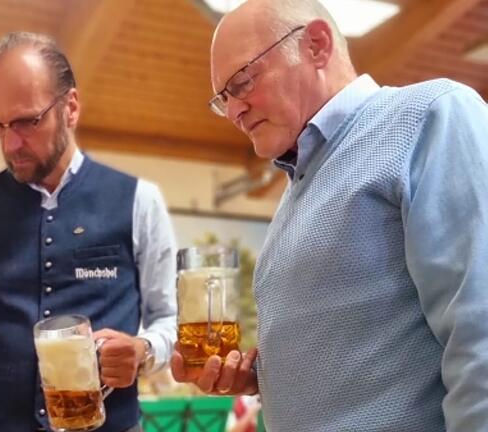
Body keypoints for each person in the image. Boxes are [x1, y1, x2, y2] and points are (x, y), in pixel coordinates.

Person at [170, 0, 488, 431]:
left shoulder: (428, 115)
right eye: (222, 99)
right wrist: (262, 377)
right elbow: (360, 351)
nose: (232, 112)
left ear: (316, 46)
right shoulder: (296, 188)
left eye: (242, 82)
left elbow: (479, 329)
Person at [0, 31, 177, 432]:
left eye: (27, 122)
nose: (11, 143)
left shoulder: (139, 202)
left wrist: (145, 350)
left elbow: (171, 319)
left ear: (71, 108)